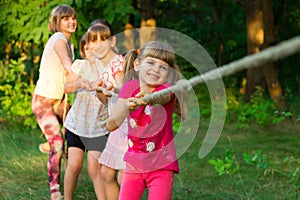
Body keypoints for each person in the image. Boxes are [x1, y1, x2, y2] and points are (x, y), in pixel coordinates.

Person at [106, 41, 186, 200]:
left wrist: (148, 98)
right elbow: (111, 124)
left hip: (162, 165)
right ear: (137, 64)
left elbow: (162, 98)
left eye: (163, 67)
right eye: (151, 62)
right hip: (134, 165)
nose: (156, 69)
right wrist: (126, 108)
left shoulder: (165, 90)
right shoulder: (129, 87)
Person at [63, 19, 125, 200]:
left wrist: (102, 88)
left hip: (98, 127)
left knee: (94, 167)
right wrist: (79, 83)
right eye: (89, 46)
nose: (93, 50)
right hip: (76, 124)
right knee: (74, 165)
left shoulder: (107, 67)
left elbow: (110, 94)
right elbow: (67, 87)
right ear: (84, 48)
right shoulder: (80, 65)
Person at [31, 4, 77, 200]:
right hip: (43, 102)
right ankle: (55, 190)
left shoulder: (71, 44)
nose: (71, 21)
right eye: (66, 19)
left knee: (72, 134)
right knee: (58, 143)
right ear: (57, 23)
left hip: (60, 101)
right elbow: (67, 63)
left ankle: (51, 144)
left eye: (73, 18)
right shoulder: (58, 39)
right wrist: (76, 70)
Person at [98, 49, 139, 200]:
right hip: (117, 131)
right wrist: (104, 90)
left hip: (131, 133)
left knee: (124, 179)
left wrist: (113, 88)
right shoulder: (113, 73)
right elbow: (116, 91)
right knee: (106, 173)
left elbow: (124, 89)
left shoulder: (137, 84)